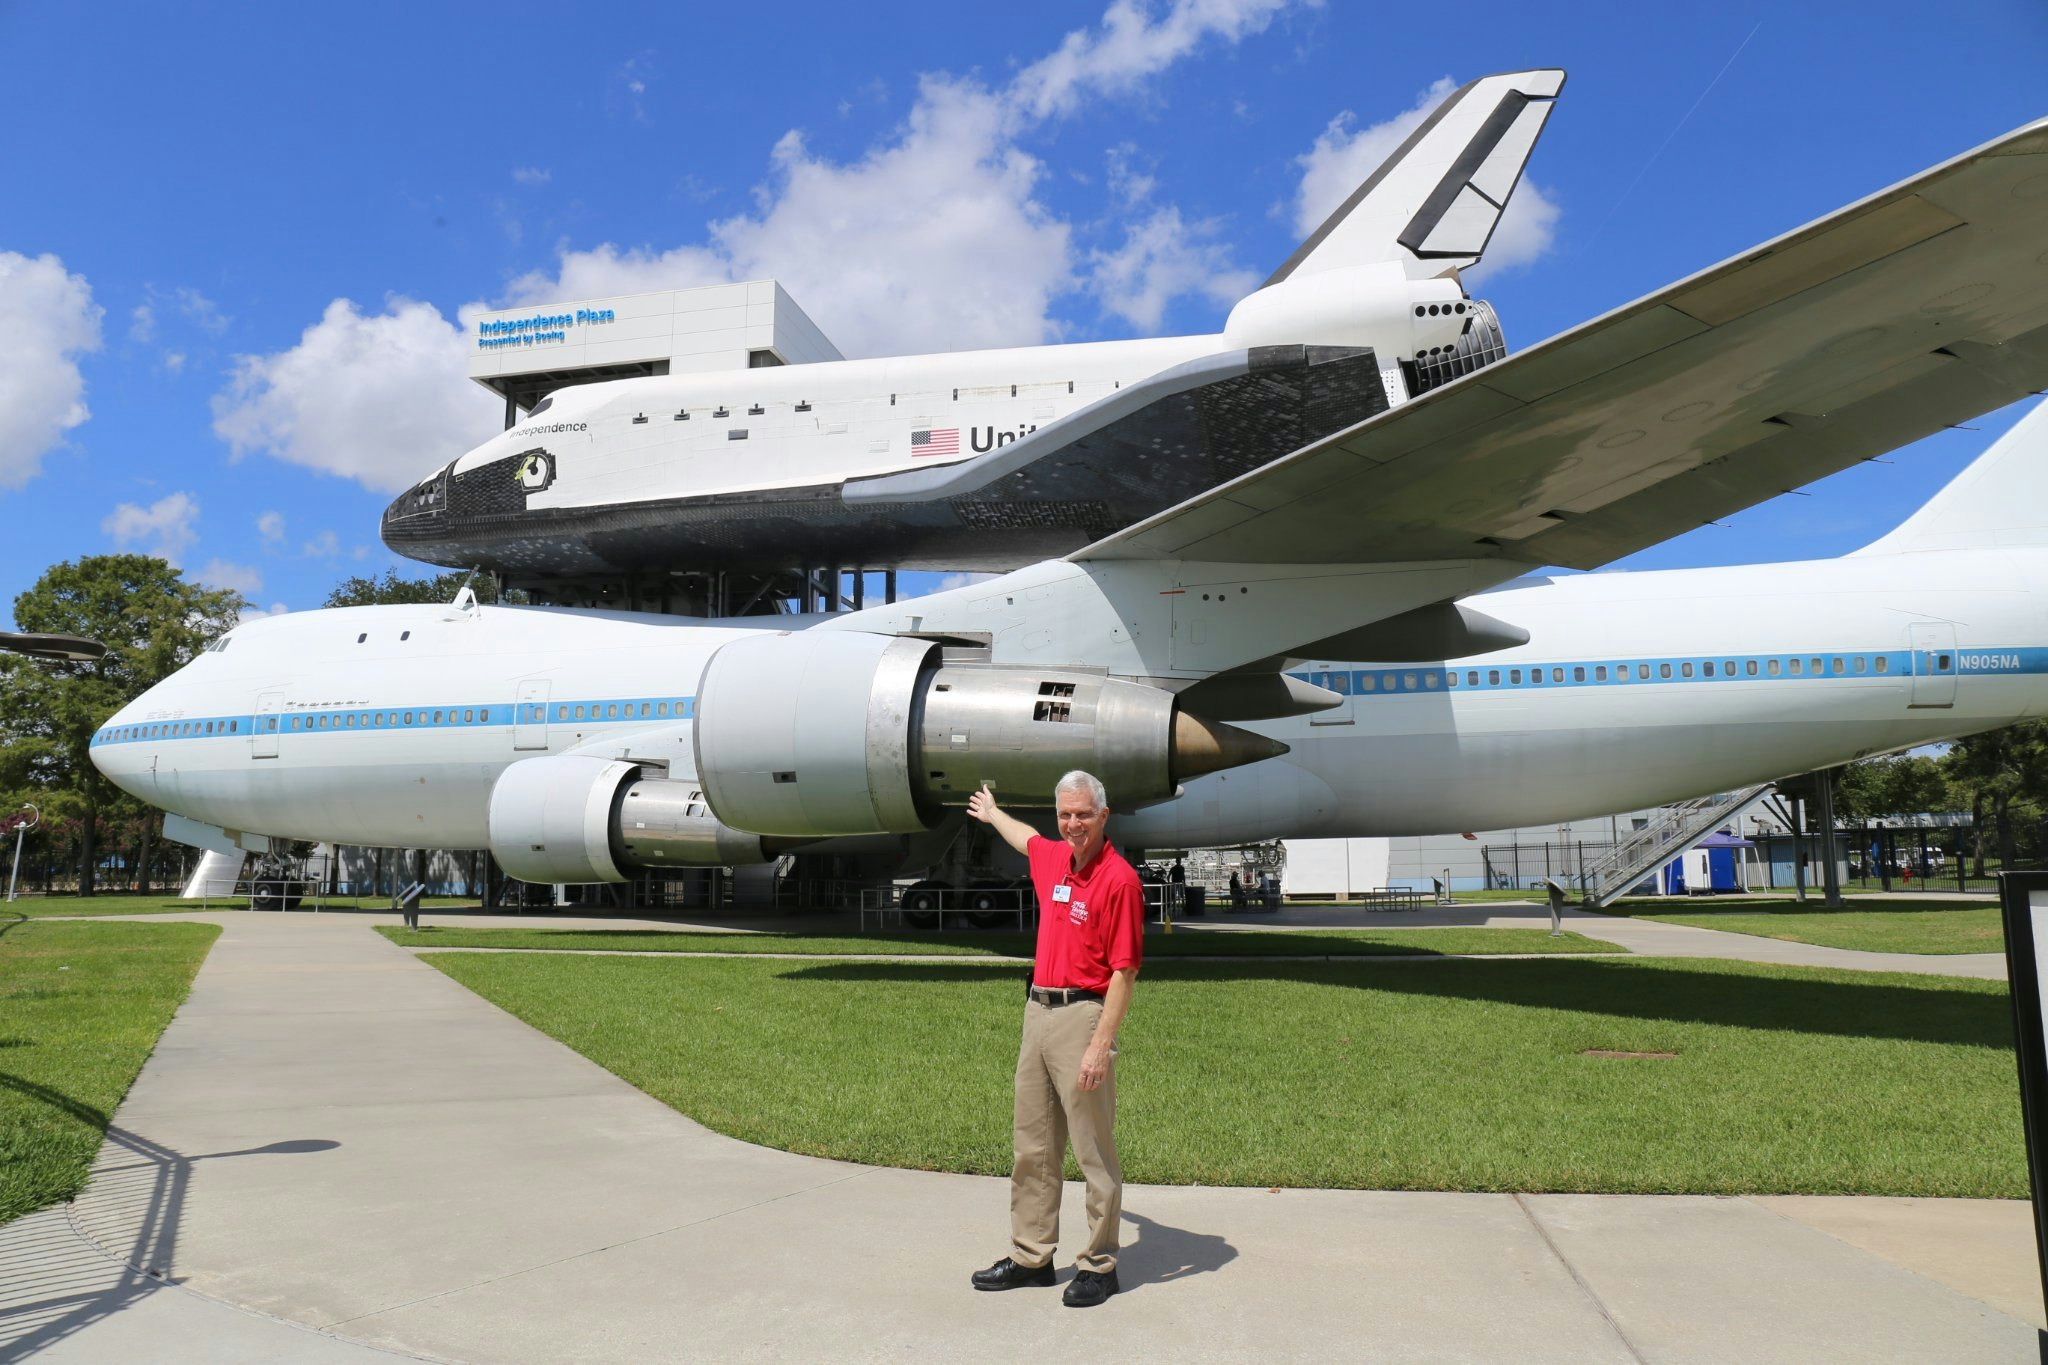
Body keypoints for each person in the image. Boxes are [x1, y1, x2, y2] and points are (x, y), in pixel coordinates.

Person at [965, 771, 1143, 1309]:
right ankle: (1031, 1257)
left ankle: (1098, 1265)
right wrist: (993, 812)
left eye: (1083, 814)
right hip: (1037, 1010)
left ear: (1103, 816)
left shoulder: (1120, 881)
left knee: (1092, 1150)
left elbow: (1124, 972)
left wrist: (1100, 1045)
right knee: (1034, 1147)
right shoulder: (1053, 860)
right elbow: (1027, 838)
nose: (1073, 824)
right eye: (1065, 814)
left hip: (1083, 1015)